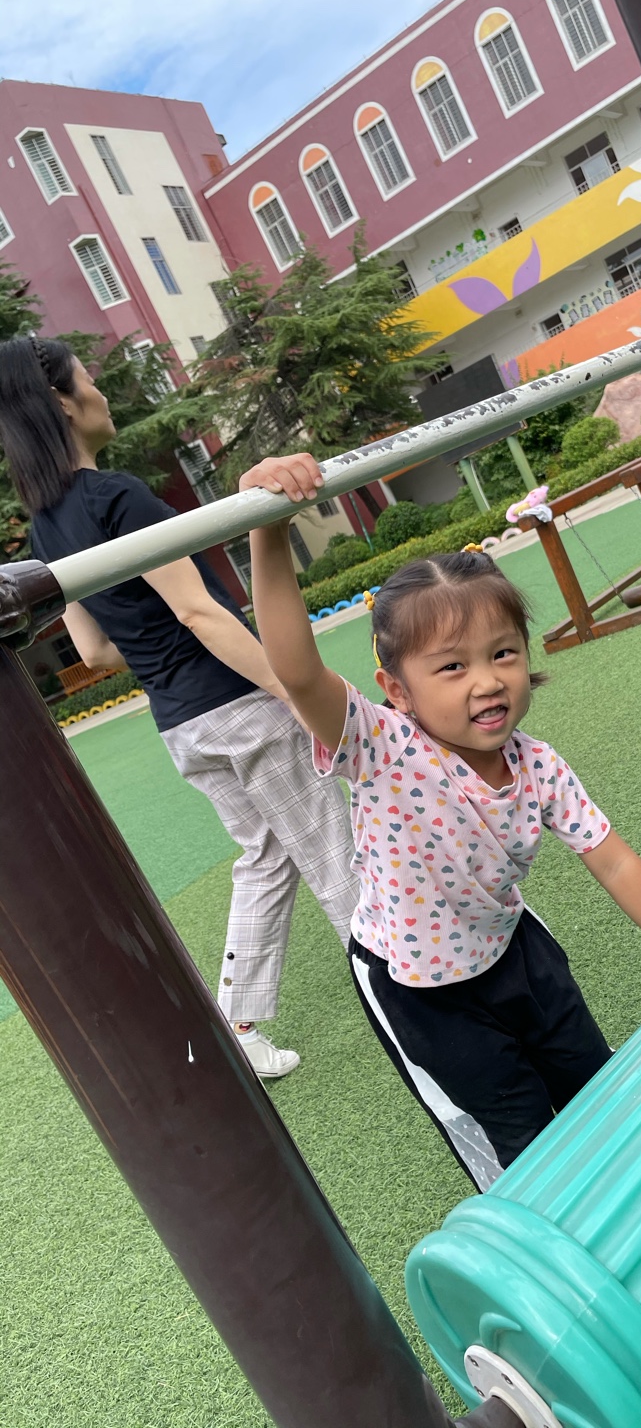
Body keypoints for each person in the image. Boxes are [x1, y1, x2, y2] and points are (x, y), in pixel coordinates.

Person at [239, 455, 641, 1186]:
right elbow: (297, 670)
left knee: (598, 1088)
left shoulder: (538, 764)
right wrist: (269, 529)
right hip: (421, 989)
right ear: (396, 690)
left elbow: (613, 857)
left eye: (503, 654)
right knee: (522, 1138)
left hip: (515, 950)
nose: (488, 680)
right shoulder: (379, 746)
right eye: (452, 667)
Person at [0, 337, 358, 1079]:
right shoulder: (117, 496)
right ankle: (421, 999)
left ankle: (238, 1025)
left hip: (183, 725)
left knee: (267, 859)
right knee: (337, 857)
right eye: (90, 380)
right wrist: (297, 692)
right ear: (63, 402)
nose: (102, 394)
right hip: (241, 707)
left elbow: (95, 650)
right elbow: (199, 613)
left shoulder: (46, 528)